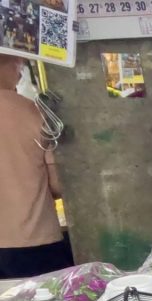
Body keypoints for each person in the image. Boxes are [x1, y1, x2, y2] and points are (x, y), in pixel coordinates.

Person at [0, 55, 71, 279]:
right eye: (19, 64)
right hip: (34, 242)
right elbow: (58, 185)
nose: (21, 71)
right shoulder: (35, 114)